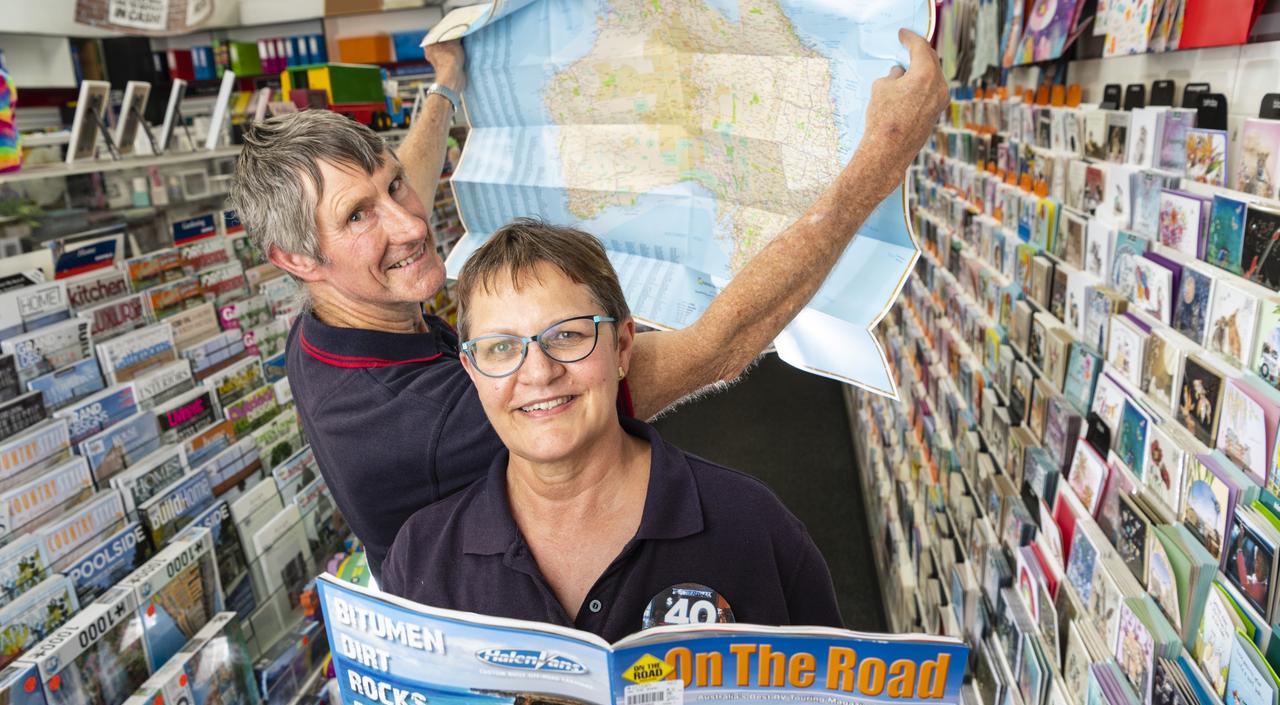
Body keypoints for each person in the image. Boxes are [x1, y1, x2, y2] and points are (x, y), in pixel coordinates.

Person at [229, 33, 948, 576]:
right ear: (296, 260)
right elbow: (717, 347)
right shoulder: (442, 418)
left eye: (393, 188)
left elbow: (395, 189)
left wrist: (444, 87)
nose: (411, 224)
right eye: (359, 218)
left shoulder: (325, 321)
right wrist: (880, 160)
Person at [380, 221, 842, 640]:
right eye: (501, 347)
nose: (538, 373)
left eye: (567, 335)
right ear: (472, 370)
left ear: (622, 347)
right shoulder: (422, 558)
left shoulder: (749, 526)